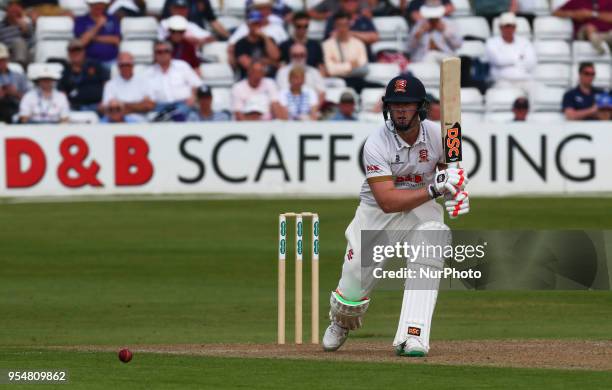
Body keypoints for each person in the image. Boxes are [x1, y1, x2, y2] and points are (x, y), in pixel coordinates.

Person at [321, 74, 469, 356]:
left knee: (433, 237)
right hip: (377, 212)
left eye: (407, 104)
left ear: (421, 108)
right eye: (395, 105)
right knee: (353, 283)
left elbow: (450, 173)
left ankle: (413, 335)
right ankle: (341, 322)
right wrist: (436, 189)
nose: (400, 110)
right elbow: (388, 201)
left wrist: (457, 191)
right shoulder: (376, 143)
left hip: (420, 208)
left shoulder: (444, 135)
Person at [146, 40, 203, 121]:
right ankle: (168, 117)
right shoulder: (148, 73)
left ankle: (169, 117)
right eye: (159, 52)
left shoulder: (182, 66)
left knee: (187, 114)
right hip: (160, 107)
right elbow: (146, 97)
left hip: (182, 105)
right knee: (151, 116)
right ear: (154, 54)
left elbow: (197, 85)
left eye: (166, 51)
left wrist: (193, 97)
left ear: (171, 53)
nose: (163, 54)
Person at [485, 12, 537, 96]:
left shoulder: (524, 42)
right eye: (506, 26)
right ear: (500, 28)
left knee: (536, 91)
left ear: (515, 27)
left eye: (511, 26)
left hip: (524, 79)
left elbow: (531, 62)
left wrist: (508, 60)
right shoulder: (491, 42)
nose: (509, 29)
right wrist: (519, 58)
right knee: (506, 95)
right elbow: (498, 60)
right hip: (502, 81)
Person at [322, 12, 369, 93]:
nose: (342, 28)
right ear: (334, 26)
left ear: (349, 25)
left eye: (345, 25)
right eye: (339, 25)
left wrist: (338, 67)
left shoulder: (359, 43)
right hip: (336, 83)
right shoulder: (326, 45)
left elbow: (363, 69)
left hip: (357, 81)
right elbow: (329, 70)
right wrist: (351, 65)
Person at [57, 39, 110, 111]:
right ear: (69, 53)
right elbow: (62, 92)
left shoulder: (95, 65)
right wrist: (66, 106)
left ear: (83, 51)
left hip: (97, 106)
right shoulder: (65, 71)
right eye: (72, 51)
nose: (75, 53)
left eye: (78, 50)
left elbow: (107, 84)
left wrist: (105, 102)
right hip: (74, 108)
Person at [102, 52, 155, 122]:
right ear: (118, 66)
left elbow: (150, 105)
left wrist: (121, 106)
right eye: (122, 65)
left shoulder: (144, 82)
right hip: (116, 121)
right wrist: (139, 105)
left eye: (128, 64)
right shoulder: (110, 84)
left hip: (139, 121)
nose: (125, 67)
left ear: (133, 65)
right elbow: (107, 108)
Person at [234, 10, 281, 78]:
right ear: (248, 25)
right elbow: (247, 64)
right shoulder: (240, 44)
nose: (256, 26)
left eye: (258, 23)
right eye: (254, 23)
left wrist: (265, 37)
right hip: (249, 79)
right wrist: (269, 61)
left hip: (270, 78)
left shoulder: (269, 39)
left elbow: (276, 56)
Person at [74, 0, 121, 65]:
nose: (99, 6)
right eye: (95, 4)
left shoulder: (112, 18)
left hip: (111, 61)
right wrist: (98, 26)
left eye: (101, 3)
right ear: (90, 5)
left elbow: (116, 40)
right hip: (90, 62)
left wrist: (91, 37)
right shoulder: (81, 20)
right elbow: (82, 42)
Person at [161, 0, 229, 39]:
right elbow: (166, 24)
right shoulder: (165, 23)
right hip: (178, 34)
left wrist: (229, 37)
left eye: (183, 9)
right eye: (178, 8)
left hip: (198, 33)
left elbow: (212, 20)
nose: (181, 11)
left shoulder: (203, 1)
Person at [0, 43, 29, 123]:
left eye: (3, 60)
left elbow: (30, 98)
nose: (1, 63)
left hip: (16, 108)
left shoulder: (19, 76)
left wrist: (16, 93)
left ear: (7, 59)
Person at [0, 1, 33, 66]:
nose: (14, 10)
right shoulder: (1, 26)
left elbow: (32, 43)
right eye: (11, 8)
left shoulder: (26, 24)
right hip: (6, 53)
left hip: (24, 54)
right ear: (7, 11)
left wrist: (25, 30)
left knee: (18, 42)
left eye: (16, 8)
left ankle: (19, 65)